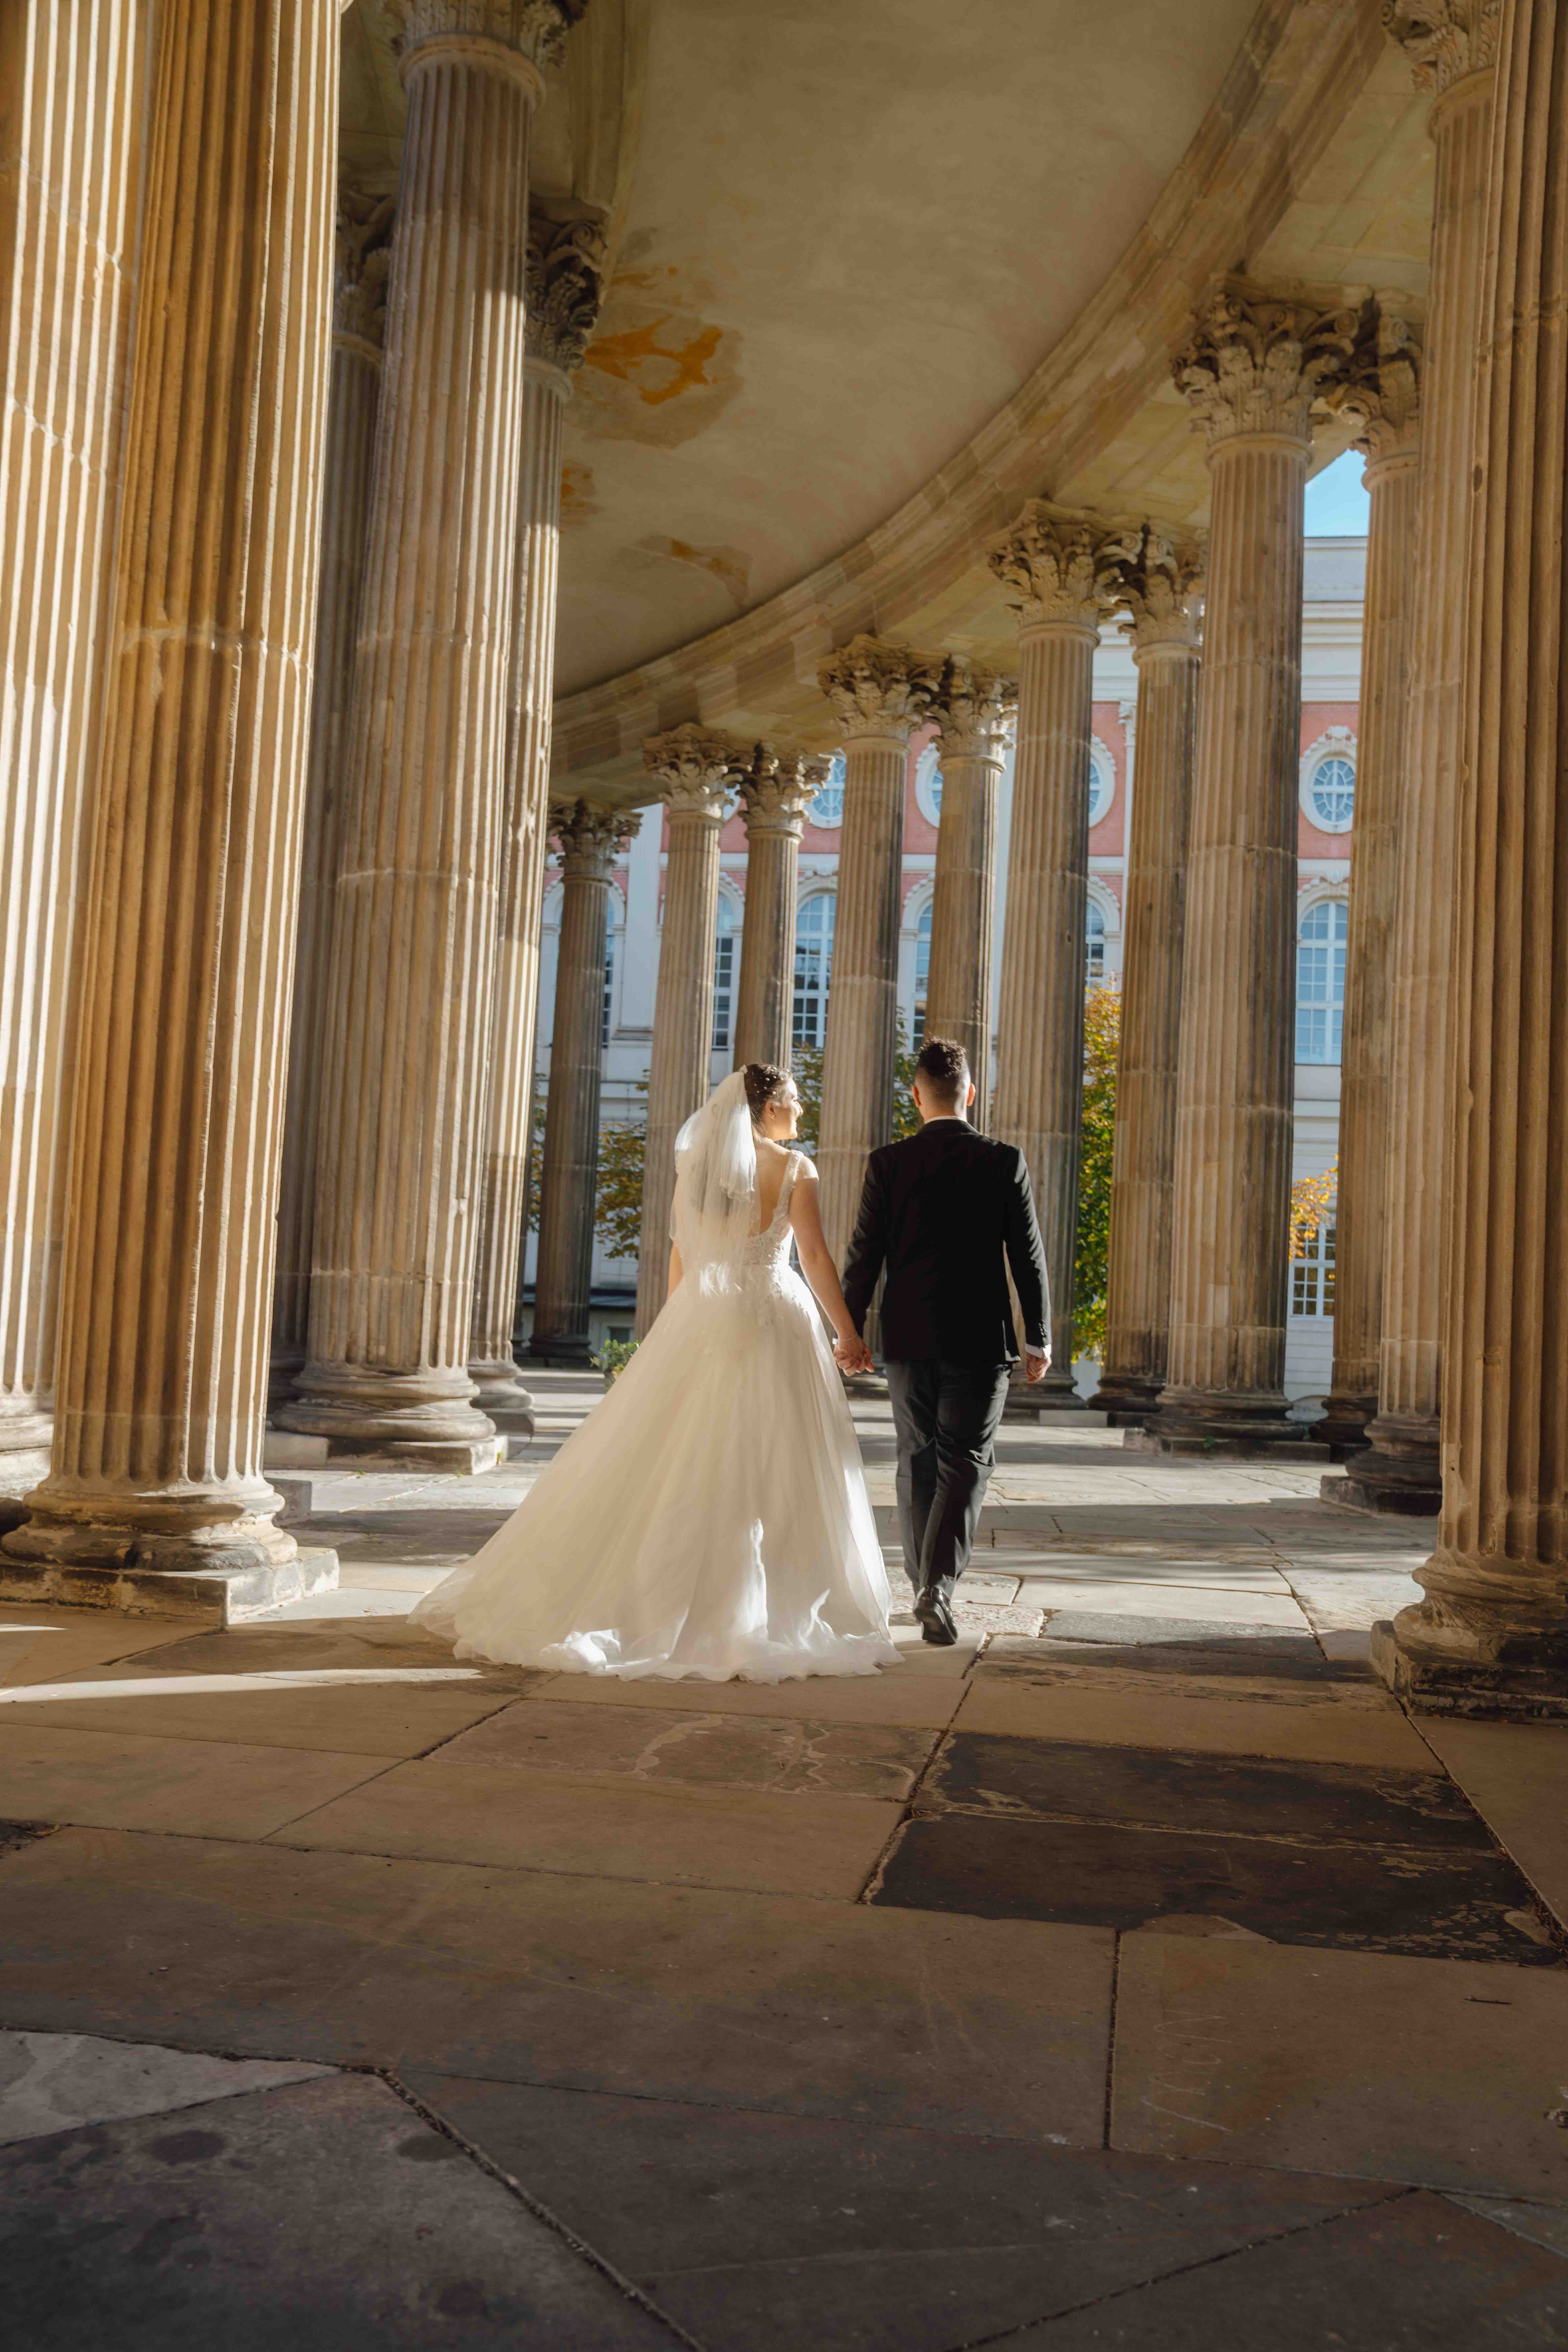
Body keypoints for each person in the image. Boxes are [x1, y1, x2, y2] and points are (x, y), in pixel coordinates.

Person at [410, 1064, 900, 1681]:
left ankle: (678, 1595)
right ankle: (769, 1605)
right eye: (794, 1102)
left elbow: (682, 1253)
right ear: (769, 1107)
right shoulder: (796, 1168)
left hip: (708, 1312)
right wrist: (848, 1333)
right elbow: (815, 1255)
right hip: (776, 1316)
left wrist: (678, 1324)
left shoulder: (700, 1170)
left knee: (688, 1457)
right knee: (780, 1461)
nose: (802, 1112)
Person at [838, 1036, 1051, 1646]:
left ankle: (922, 1587)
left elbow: (864, 1256)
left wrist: (851, 1333)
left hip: (907, 1335)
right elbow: (1027, 1259)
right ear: (971, 1095)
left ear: (916, 1096)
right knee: (968, 1460)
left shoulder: (888, 1162)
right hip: (981, 1338)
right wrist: (1038, 1336)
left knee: (917, 1459)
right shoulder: (1004, 1160)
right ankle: (938, 1587)